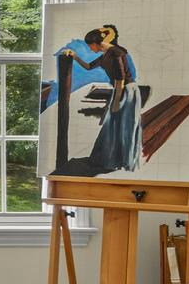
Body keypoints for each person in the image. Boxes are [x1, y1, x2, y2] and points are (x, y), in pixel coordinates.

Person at [57, 25, 142, 174]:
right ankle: (110, 159)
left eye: (90, 46)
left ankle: (122, 160)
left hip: (127, 91)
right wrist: (75, 56)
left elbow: (120, 79)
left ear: (96, 43)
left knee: (124, 125)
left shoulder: (116, 53)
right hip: (120, 90)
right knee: (113, 125)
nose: (90, 49)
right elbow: (89, 67)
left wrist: (115, 103)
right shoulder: (105, 55)